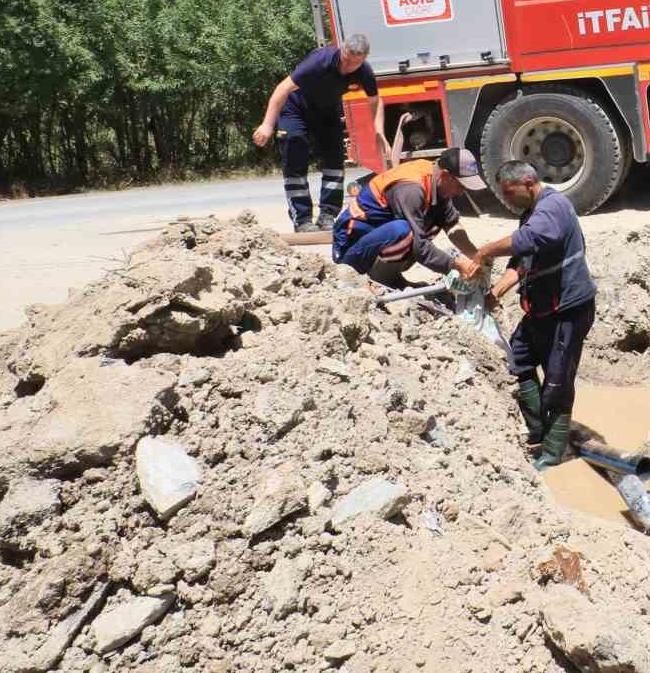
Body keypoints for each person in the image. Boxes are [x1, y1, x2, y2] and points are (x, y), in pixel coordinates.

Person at [475, 160, 596, 471]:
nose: (506, 200)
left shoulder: (553, 207)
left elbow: (532, 240)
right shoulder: (531, 214)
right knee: (520, 358)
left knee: (557, 379)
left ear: (528, 183)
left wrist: (486, 250)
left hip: (567, 311)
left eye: (509, 193)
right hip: (542, 310)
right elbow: (522, 260)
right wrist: (497, 291)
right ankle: (539, 430)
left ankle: (554, 452)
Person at [253, 36, 386, 232]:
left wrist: (379, 132)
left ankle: (327, 216)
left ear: (364, 58)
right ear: (342, 51)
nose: (348, 67)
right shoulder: (320, 61)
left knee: (334, 159)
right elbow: (282, 89)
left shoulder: (364, 70)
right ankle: (302, 219)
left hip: (327, 111)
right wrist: (266, 124)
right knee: (295, 152)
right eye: (346, 60)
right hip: (295, 108)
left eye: (354, 64)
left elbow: (375, 101)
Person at [330, 149, 489, 290]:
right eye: (460, 186)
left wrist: (476, 257)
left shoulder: (437, 182)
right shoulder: (412, 188)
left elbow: (452, 225)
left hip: (374, 238)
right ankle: (381, 282)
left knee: (431, 223)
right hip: (350, 249)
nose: (461, 192)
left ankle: (391, 278)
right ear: (446, 175)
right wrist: (455, 265)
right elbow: (419, 246)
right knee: (406, 232)